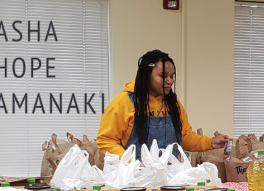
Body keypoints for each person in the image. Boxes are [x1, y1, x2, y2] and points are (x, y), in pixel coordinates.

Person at [97, 50, 229, 157]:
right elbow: (106, 140)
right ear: (146, 75)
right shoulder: (123, 103)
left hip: (169, 176)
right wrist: (132, 163)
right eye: (163, 76)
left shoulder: (173, 104)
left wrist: (210, 142)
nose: (170, 81)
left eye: (172, 76)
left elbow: (184, 137)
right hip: (135, 177)